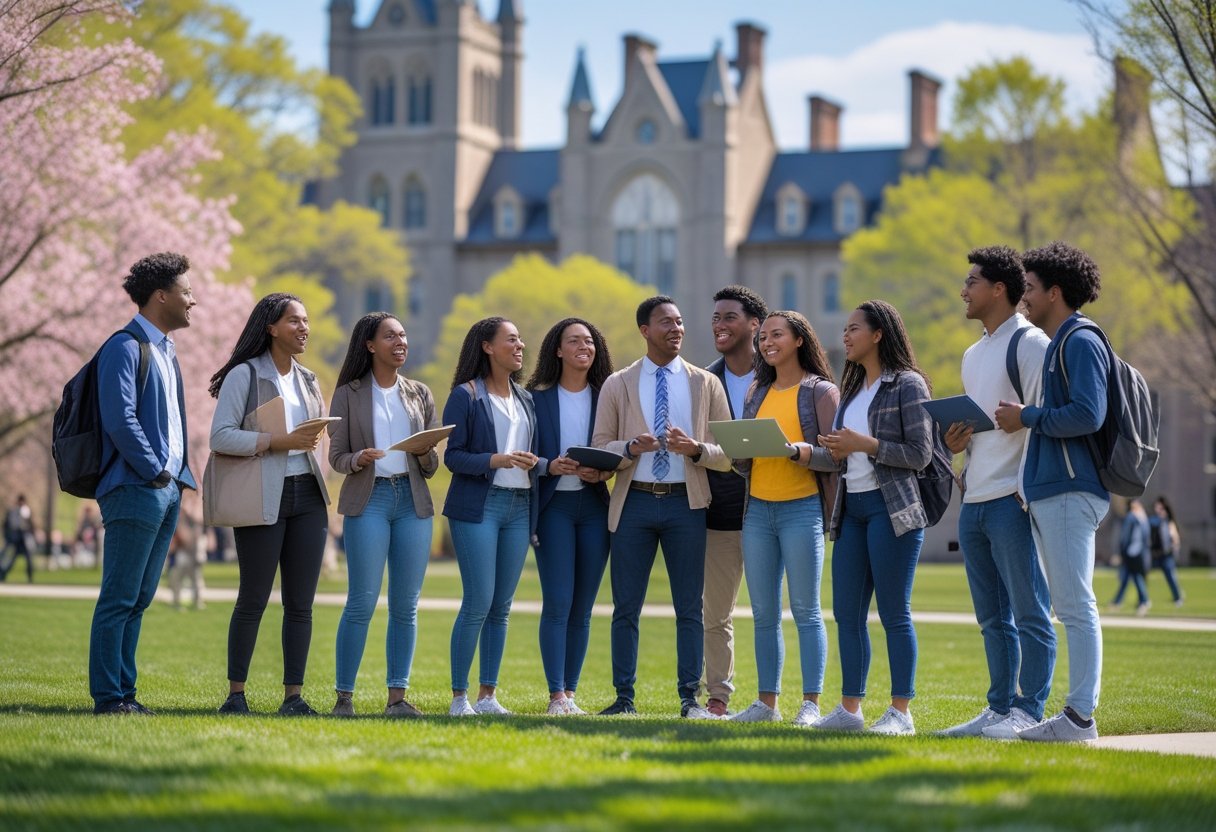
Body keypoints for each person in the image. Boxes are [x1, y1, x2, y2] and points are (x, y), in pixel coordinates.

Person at [591, 296, 732, 719]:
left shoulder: (706, 384)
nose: (677, 328)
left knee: (690, 607)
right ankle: (624, 699)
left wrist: (696, 449)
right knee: (626, 607)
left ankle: (689, 700)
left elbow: (727, 454)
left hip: (685, 505)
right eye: (666, 322)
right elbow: (600, 448)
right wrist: (630, 447)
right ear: (644, 330)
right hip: (633, 502)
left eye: (681, 321)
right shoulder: (618, 383)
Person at [938, 246, 1057, 740]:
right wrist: (955, 444)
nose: (963, 291)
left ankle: (1029, 711)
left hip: (1013, 498)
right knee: (992, 618)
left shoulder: (1030, 344)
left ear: (999, 289)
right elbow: (986, 423)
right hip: (976, 499)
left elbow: (1043, 421)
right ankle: (999, 707)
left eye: (971, 282)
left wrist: (1024, 494)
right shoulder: (972, 353)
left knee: (1029, 611)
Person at [995, 240, 1111, 742]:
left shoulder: (1079, 340)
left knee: (1075, 604)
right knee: (1068, 604)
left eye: (1033, 290)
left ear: (1056, 293)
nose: (1024, 298)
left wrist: (1027, 417)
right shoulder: (1062, 341)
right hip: (1051, 490)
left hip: (1069, 490)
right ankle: (1074, 715)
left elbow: (1089, 413)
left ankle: (1080, 717)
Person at [814, 300, 934, 736]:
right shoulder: (851, 391)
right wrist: (829, 449)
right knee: (847, 614)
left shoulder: (908, 384)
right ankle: (850, 710)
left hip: (892, 510)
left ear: (878, 333)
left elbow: (920, 455)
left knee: (893, 613)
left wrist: (864, 444)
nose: (845, 337)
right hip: (853, 511)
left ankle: (901, 713)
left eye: (853, 329)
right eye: (844, 330)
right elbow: (847, 455)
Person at [209, 293, 331, 717]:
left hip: (309, 496)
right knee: (254, 597)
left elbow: (311, 441)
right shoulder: (245, 375)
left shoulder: (310, 379)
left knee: (301, 603)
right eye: (294, 320)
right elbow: (221, 436)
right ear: (271, 327)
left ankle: (293, 697)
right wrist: (277, 442)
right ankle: (235, 696)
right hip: (264, 494)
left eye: (306, 320)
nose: (304, 328)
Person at [88, 252, 197, 715]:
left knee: (140, 597)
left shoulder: (167, 351)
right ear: (161, 296)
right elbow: (120, 418)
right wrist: (154, 470)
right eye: (187, 292)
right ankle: (109, 697)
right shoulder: (124, 347)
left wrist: (177, 479)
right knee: (119, 596)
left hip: (166, 489)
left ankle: (125, 694)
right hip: (138, 486)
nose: (194, 300)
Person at [328, 313, 443, 718]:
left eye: (404, 335)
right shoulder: (347, 393)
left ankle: (398, 698)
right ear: (370, 345)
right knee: (361, 600)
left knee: (405, 605)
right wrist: (358, 458)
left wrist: (424, 450)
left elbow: (431, 467)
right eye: (390, 336)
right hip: (369, 499)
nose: (400, 341)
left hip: (412, 503)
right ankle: (345, 697)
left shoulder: (419, 393)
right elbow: (336, 457)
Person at [730, 311, 839, 726]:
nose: (766, 342)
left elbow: (837, 457)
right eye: (763, 337)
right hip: (757, 510)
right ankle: (766, 704)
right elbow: (748, 458)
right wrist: (740, 447)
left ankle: (810, 704)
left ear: (798, 340)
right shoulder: (757, 391)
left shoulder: (821, 392)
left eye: (777, 335)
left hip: (802, 509)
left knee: (807, 610)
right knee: (763, 613)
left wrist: (798, 450)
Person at [443, 317, 540, 717]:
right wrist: (495, 460)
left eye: (520, 339)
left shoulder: (525, 399)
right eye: (511, 340)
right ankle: (459, 698)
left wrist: (543, 463)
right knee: (479, 600)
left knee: (502, 604)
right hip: (478, 507)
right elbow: (452, 456)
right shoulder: (465, 396)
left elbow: (528, 454)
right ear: (487, 347)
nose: (520, 346)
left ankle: (487, 696)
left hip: (519, 506)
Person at [527, 317, 615, 715]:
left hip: (594, 507)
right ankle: (555, 695)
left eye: (590, 341)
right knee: (558, 601)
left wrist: (604, 470)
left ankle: (571, 696)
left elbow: (616, 449)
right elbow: (521, 451)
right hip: (554, 508)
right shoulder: (534, 398)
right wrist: (549, 465)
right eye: (574, 340)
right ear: (558, 350)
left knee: (583, 608)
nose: (585, 346)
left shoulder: (607, 395)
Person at [703, 285, 768, 717]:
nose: (719, 326)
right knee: (716, 613)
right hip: (721, 512)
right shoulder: (703, 381)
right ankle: (718, 697)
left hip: (773, 506)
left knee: (774, 611)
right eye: (715, 319)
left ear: (754, 325)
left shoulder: (782, 376)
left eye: (729, 317)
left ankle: (773, 699)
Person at [1110, 499, 1152, 615]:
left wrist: (1122, 552)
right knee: (1128, 578)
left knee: (1135, 577)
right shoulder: (1141, 518)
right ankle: (1118, 602)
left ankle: (1143, 600)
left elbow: (1126, 537)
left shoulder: (1133, 518)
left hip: (1132, 554)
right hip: (1136, 553)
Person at [168, 493, 207, 610]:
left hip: (194, 551)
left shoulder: (196, 514)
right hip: (182, 550)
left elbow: (200, 525)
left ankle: (197, 601)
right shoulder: (180, 514)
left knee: (196, 578)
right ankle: (176, 602)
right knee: (177, 577)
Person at [1150, 496, 1184, 607]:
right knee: (1143, 574)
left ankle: (1178, 597)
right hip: (1157, 555)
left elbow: (1175, 538)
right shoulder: (1155, 522)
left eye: (1160, 508)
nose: (1157, 510)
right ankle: (1143, 598)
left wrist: (1174, 550)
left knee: (1170, 577)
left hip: (1167, 555)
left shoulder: (1168, 522)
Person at [1, 494, 36, 583]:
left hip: (24, 541)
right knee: (9, 559)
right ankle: (2, 574)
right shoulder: (13, 511)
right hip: (15, 540)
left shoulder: (27, 511)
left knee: (28, 560)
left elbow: (31, 526)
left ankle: (30, 577)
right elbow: (8, 525)